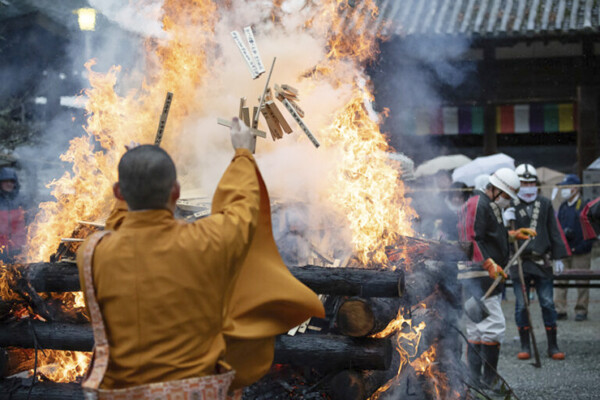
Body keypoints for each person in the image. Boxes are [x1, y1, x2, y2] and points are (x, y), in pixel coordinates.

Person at [76, 119, 325, 398]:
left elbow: (120, 226)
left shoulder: (91, 252)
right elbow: (241, 207)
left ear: (118, 193)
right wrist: (242, 152)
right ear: (177, 191)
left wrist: (136, 174)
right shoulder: (206, 241)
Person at [457, 167, 535, 392]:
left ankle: (476, 379)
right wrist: (488, 263)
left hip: (482, 274)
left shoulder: (488, 204)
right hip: (478, 275)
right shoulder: (476, 204)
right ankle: (485, 379)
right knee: (491, 324)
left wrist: (513, 234)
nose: (508, 201)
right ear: (495, 189)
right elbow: (470, 238)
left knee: (479, 326)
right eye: (507, 196)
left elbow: (490, 235)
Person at [504, 164, 569, 361]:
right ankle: (525, 345)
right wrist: (506, 223)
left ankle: (552, 345)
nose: (528, 186)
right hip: (519, 262)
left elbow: (554, 230)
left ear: (536, 184)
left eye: (531, 182)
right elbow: (500, 237)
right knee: (522, 305)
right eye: (523, 183)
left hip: (542, 261)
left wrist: (558, 256)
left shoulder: (545, 203)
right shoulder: (509, 205)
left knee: (548, 303)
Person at [555, 174, 593, 322]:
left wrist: (581, 246)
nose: (564, 190)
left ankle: (581, 310)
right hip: (565, 251)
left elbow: (590, 230)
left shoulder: (584, 205)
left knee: (582, 282)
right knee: (560, 282)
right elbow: (557, 227)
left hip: (581, 251)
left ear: (576, 188)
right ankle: (560, 309)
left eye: (566, 187)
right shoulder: (563, 206)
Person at [0, 166, 26, 263]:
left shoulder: (21, 200)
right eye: (5, 181)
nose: (9, 184)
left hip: (18, 250)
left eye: (11, 181)